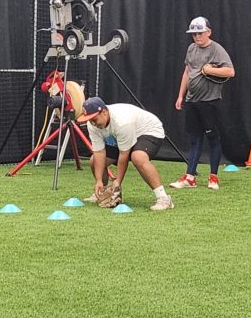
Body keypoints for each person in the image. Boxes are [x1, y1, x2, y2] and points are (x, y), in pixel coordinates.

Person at [171, 16, 234, 190]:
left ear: (209, 32)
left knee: (213, 138)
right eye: (194, 34)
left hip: (210, 102)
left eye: (200, 33)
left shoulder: (217, 49)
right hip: (192, 101)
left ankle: (213, 177)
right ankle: (190, 177)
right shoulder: (191, 48)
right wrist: (180, 96)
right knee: (194, 139)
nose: (197, 37)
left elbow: (230, 71)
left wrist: (211, 70)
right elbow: (187, 72)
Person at [77, 97, 175, 211]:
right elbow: (99, 152)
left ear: (104, 112)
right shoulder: (92, 125)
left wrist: (118, 182)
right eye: (89, 120)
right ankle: (103, 193)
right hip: (124, 136)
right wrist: (99, 180)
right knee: (94, 160)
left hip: (149, 131)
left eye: (94, 119)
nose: (92, 123)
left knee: (138, 157)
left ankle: (163, 198)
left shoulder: (122, 122)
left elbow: (124, 155)